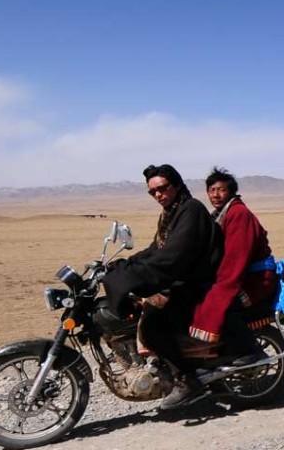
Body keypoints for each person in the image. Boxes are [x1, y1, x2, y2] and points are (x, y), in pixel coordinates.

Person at [102, 163, 222, 410]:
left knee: (153, 324)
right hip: (181, 280)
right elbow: (157, 249)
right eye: (152, 192)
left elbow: (173, 258)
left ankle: (186, 381)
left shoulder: (192, 211)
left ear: (176, 185)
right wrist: (126, 264)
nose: (158, 195)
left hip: (196, 284)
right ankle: (158, 363)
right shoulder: (171, 213)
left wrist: (134, 277)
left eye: (162, 188)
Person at [188, 167, 277, 365]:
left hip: (256, 279)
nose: (215, 195)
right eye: (211, 190)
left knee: (220, 302)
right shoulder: (219, 214)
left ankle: (250, 350)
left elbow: (237, 256)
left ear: (231, 192)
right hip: (240, 274)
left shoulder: (238, 213)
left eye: (221, 190)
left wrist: (222, 285)